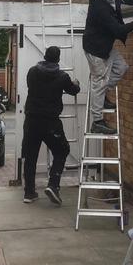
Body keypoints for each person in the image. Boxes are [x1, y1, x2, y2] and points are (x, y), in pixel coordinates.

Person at [83, 0, 133, 135]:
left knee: (121, 68)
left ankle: (101, 97)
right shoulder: (99, 7)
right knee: (99, 81)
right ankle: (97, 122)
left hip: (106, 45)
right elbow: (119, 30)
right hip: (95, 49)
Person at [22, 45, 80, 205]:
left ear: (45, 56)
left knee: (30, 156)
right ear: (58, 59)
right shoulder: (62, 77)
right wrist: (76, 84)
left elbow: (32, 86)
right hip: (50, 122)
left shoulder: (32, 72)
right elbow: (73, 90)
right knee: (62, 150)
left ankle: (29, 193)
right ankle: (53, 185)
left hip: (31, 120)